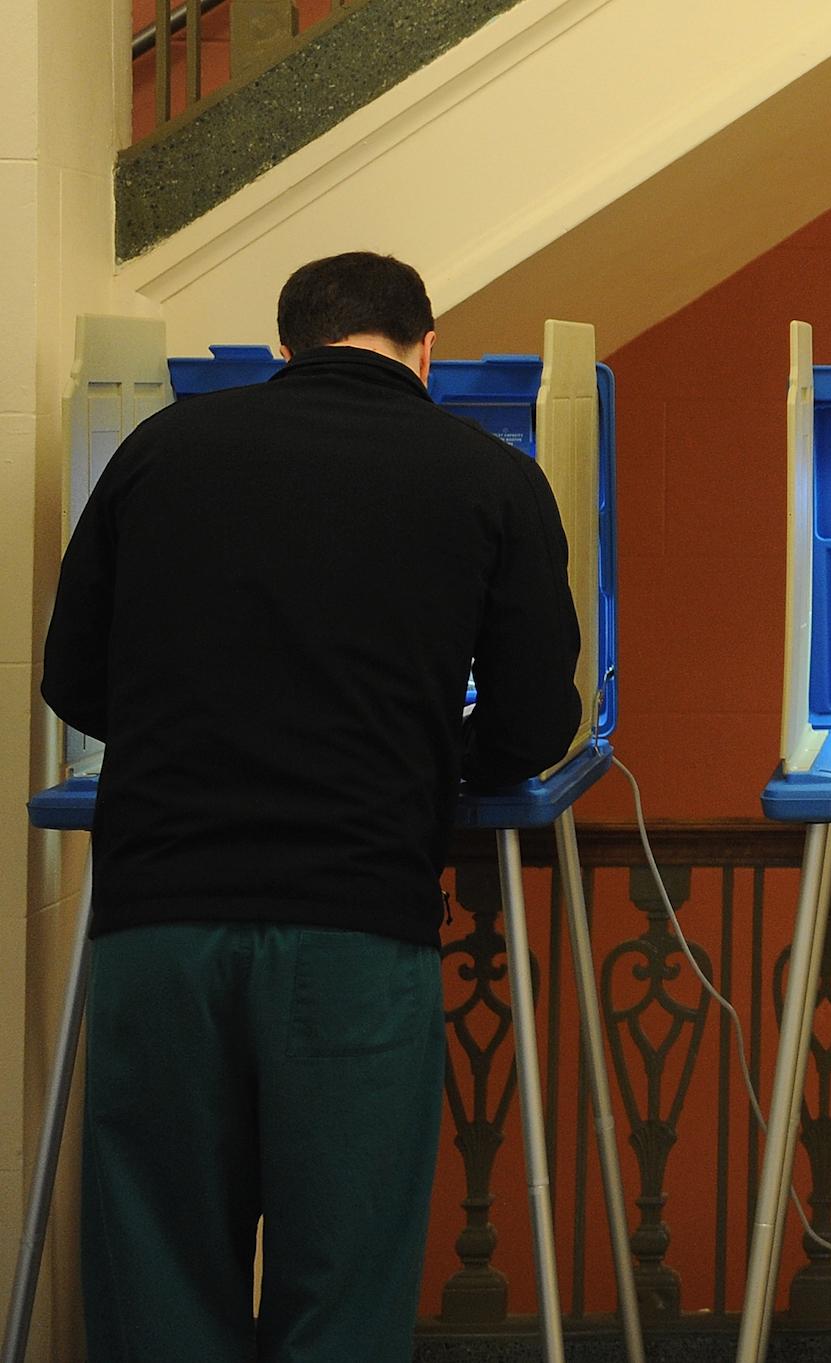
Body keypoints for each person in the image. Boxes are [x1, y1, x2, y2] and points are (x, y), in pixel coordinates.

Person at [41, 252, 583, 1362]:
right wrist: (430, 758)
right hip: (353, 924)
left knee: (157, 1262)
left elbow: (74, 676)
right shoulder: (486, 475)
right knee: (341, 1274)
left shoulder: (160, 449)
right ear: (424, 348)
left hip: (161, 921)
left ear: (284, 347)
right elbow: (534, 722)